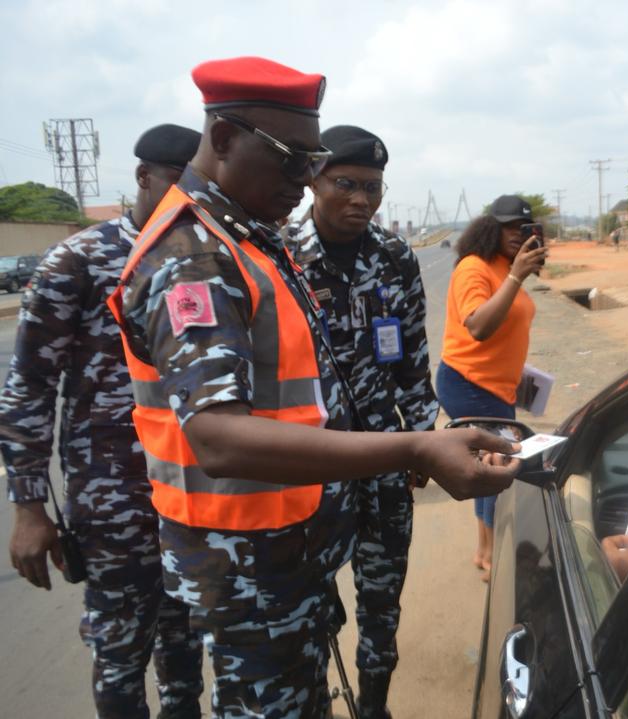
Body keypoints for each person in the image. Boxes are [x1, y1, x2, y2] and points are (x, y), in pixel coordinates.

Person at [109, 57, 519, 718]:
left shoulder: (248, 239)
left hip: (284, 536)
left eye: (311, 161)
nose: (304, 183)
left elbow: (371, 370)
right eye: (294, 160)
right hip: (245, 553)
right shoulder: (196, 254)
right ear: (221, 140)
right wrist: (413, 450)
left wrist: (417, 433)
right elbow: (217, 436)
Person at [0, 123, 205, 718]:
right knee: (120, 657)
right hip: (114, 498)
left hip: (192, 491)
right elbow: (29, 388)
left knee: (186, 650)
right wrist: (29, 507)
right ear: (144, 178)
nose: (189, 201)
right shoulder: (81, 260)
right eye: (178, 185)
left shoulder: (200, 255)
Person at [286, 125, 438, 719]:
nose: (361, 200)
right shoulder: (282, 254)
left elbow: (413, 363)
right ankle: (319, 699)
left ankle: (374, 704)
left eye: (372, 188)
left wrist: (424, 442)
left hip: (386, 460)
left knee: (383, 601)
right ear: (313, 182)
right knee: (313, 609)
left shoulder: (394, 256)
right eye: (345, 184)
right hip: (311, 468)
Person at [437, 195, 547, 582]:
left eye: (526, 228)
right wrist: (516, 277)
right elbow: (479, 327)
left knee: (489, 466)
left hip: (498, 386)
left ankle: (485, 551)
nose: (519, 234)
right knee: (494, 470)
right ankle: (490, 556)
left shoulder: (506, 266)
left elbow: (509, 325)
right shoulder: (474, 267)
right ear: (492, 228)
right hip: (469, 382)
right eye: (510, 227)